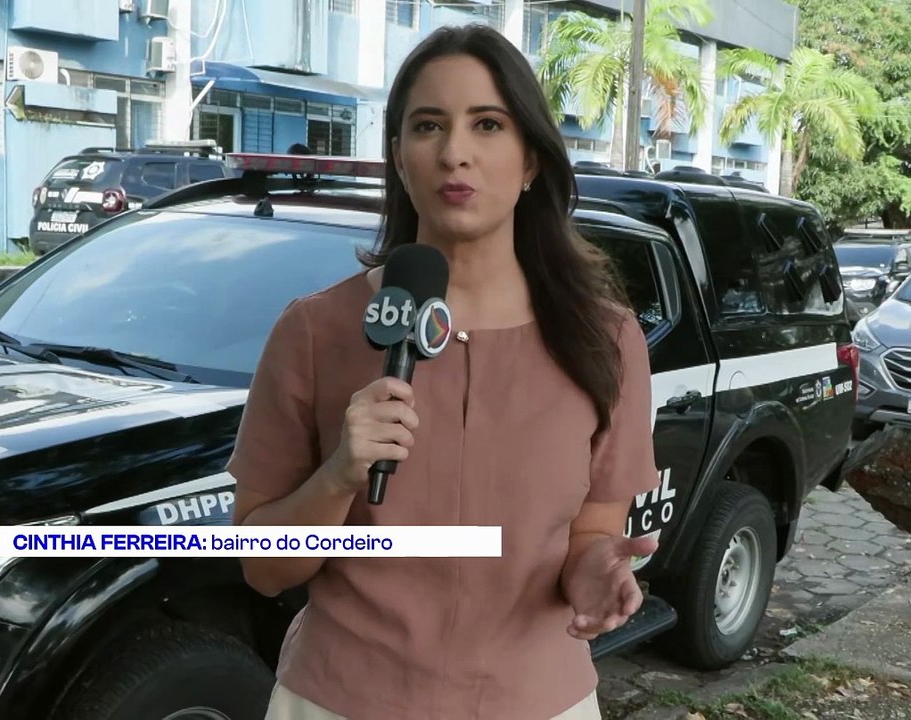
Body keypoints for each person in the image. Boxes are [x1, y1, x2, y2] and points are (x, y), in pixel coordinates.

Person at [228, 23, 661, 720]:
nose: (454, 152)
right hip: (341, 700)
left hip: (537, 700)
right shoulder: (313, 331)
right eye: (428, 126)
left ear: (529, 161)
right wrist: (338, 473)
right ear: (398, 157)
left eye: (487, 125)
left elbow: (590, 535)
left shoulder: (605, 340)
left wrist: (598, 575)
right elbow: (263, 566)